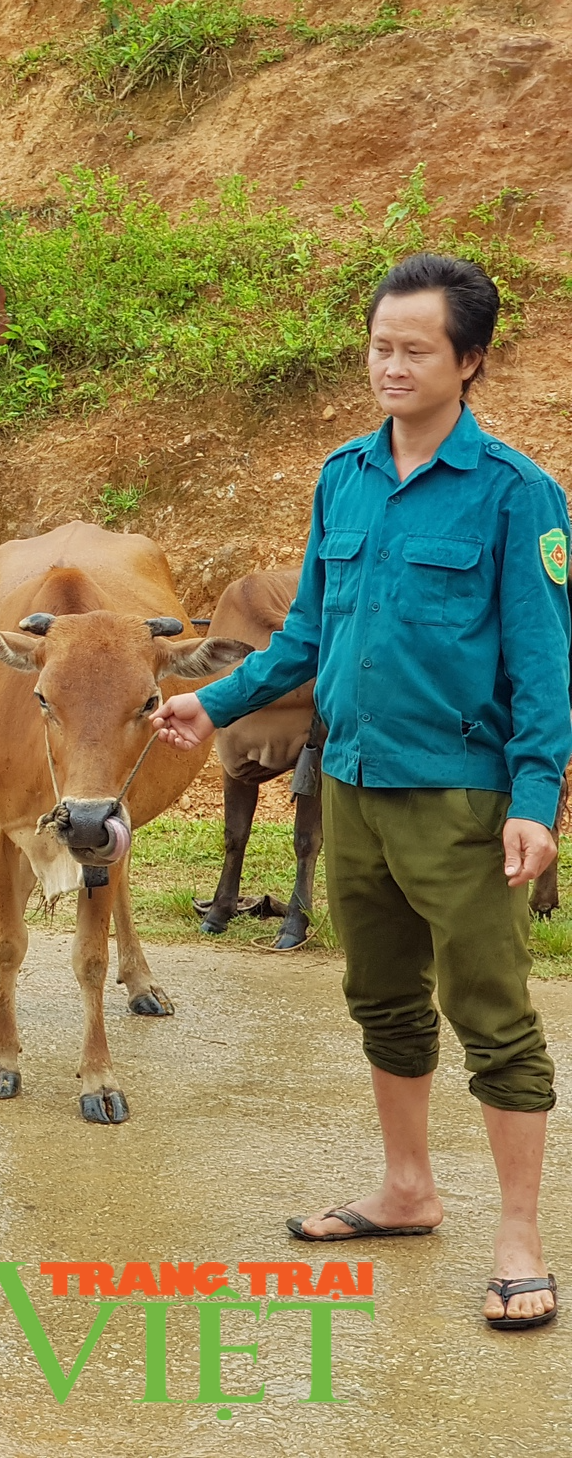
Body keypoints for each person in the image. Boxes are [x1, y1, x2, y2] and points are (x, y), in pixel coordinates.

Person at [154, 253, 566, 1333]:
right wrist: (214, 701)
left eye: (413, 349)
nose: (388, 365)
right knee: (377, 998)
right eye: (378, 346)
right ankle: (405, 1190)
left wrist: (534, 799)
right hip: (352, 786)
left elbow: (541, 664)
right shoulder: (341, 476)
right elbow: (304, 635)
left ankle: (517, 1239)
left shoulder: (514, 495)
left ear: (466, 361)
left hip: (460, 802)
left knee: (490, 1015)